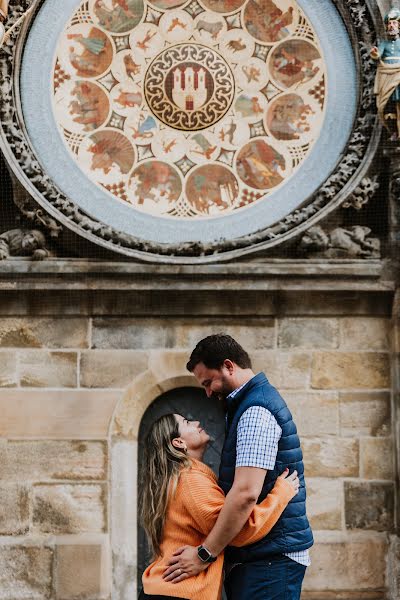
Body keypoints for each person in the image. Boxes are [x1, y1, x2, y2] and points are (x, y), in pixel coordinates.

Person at [163, 334, 313, 600]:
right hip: (262, 558)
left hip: (267, 560)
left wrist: (203, 555)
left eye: (209, 382)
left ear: (228, 366)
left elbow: (245, 494)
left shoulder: (255, 411)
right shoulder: (245, 405)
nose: (207, 392)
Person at [139, 412, 299, 600]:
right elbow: (236, 529)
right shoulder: (191, 480)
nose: (197, 421)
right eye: (187, 422)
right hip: (179, 592)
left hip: (168, 589)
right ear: (178, 443)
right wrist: (281, 494)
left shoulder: (181, 478)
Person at [371, 8, 400, 139]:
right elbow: (378, 55)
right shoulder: (384, 44)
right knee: (388, 105)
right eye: (389, 24)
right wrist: (375, 53)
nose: (391, 26)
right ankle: (393, 131)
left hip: (399, 76)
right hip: (387, 76)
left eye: (394, 23)